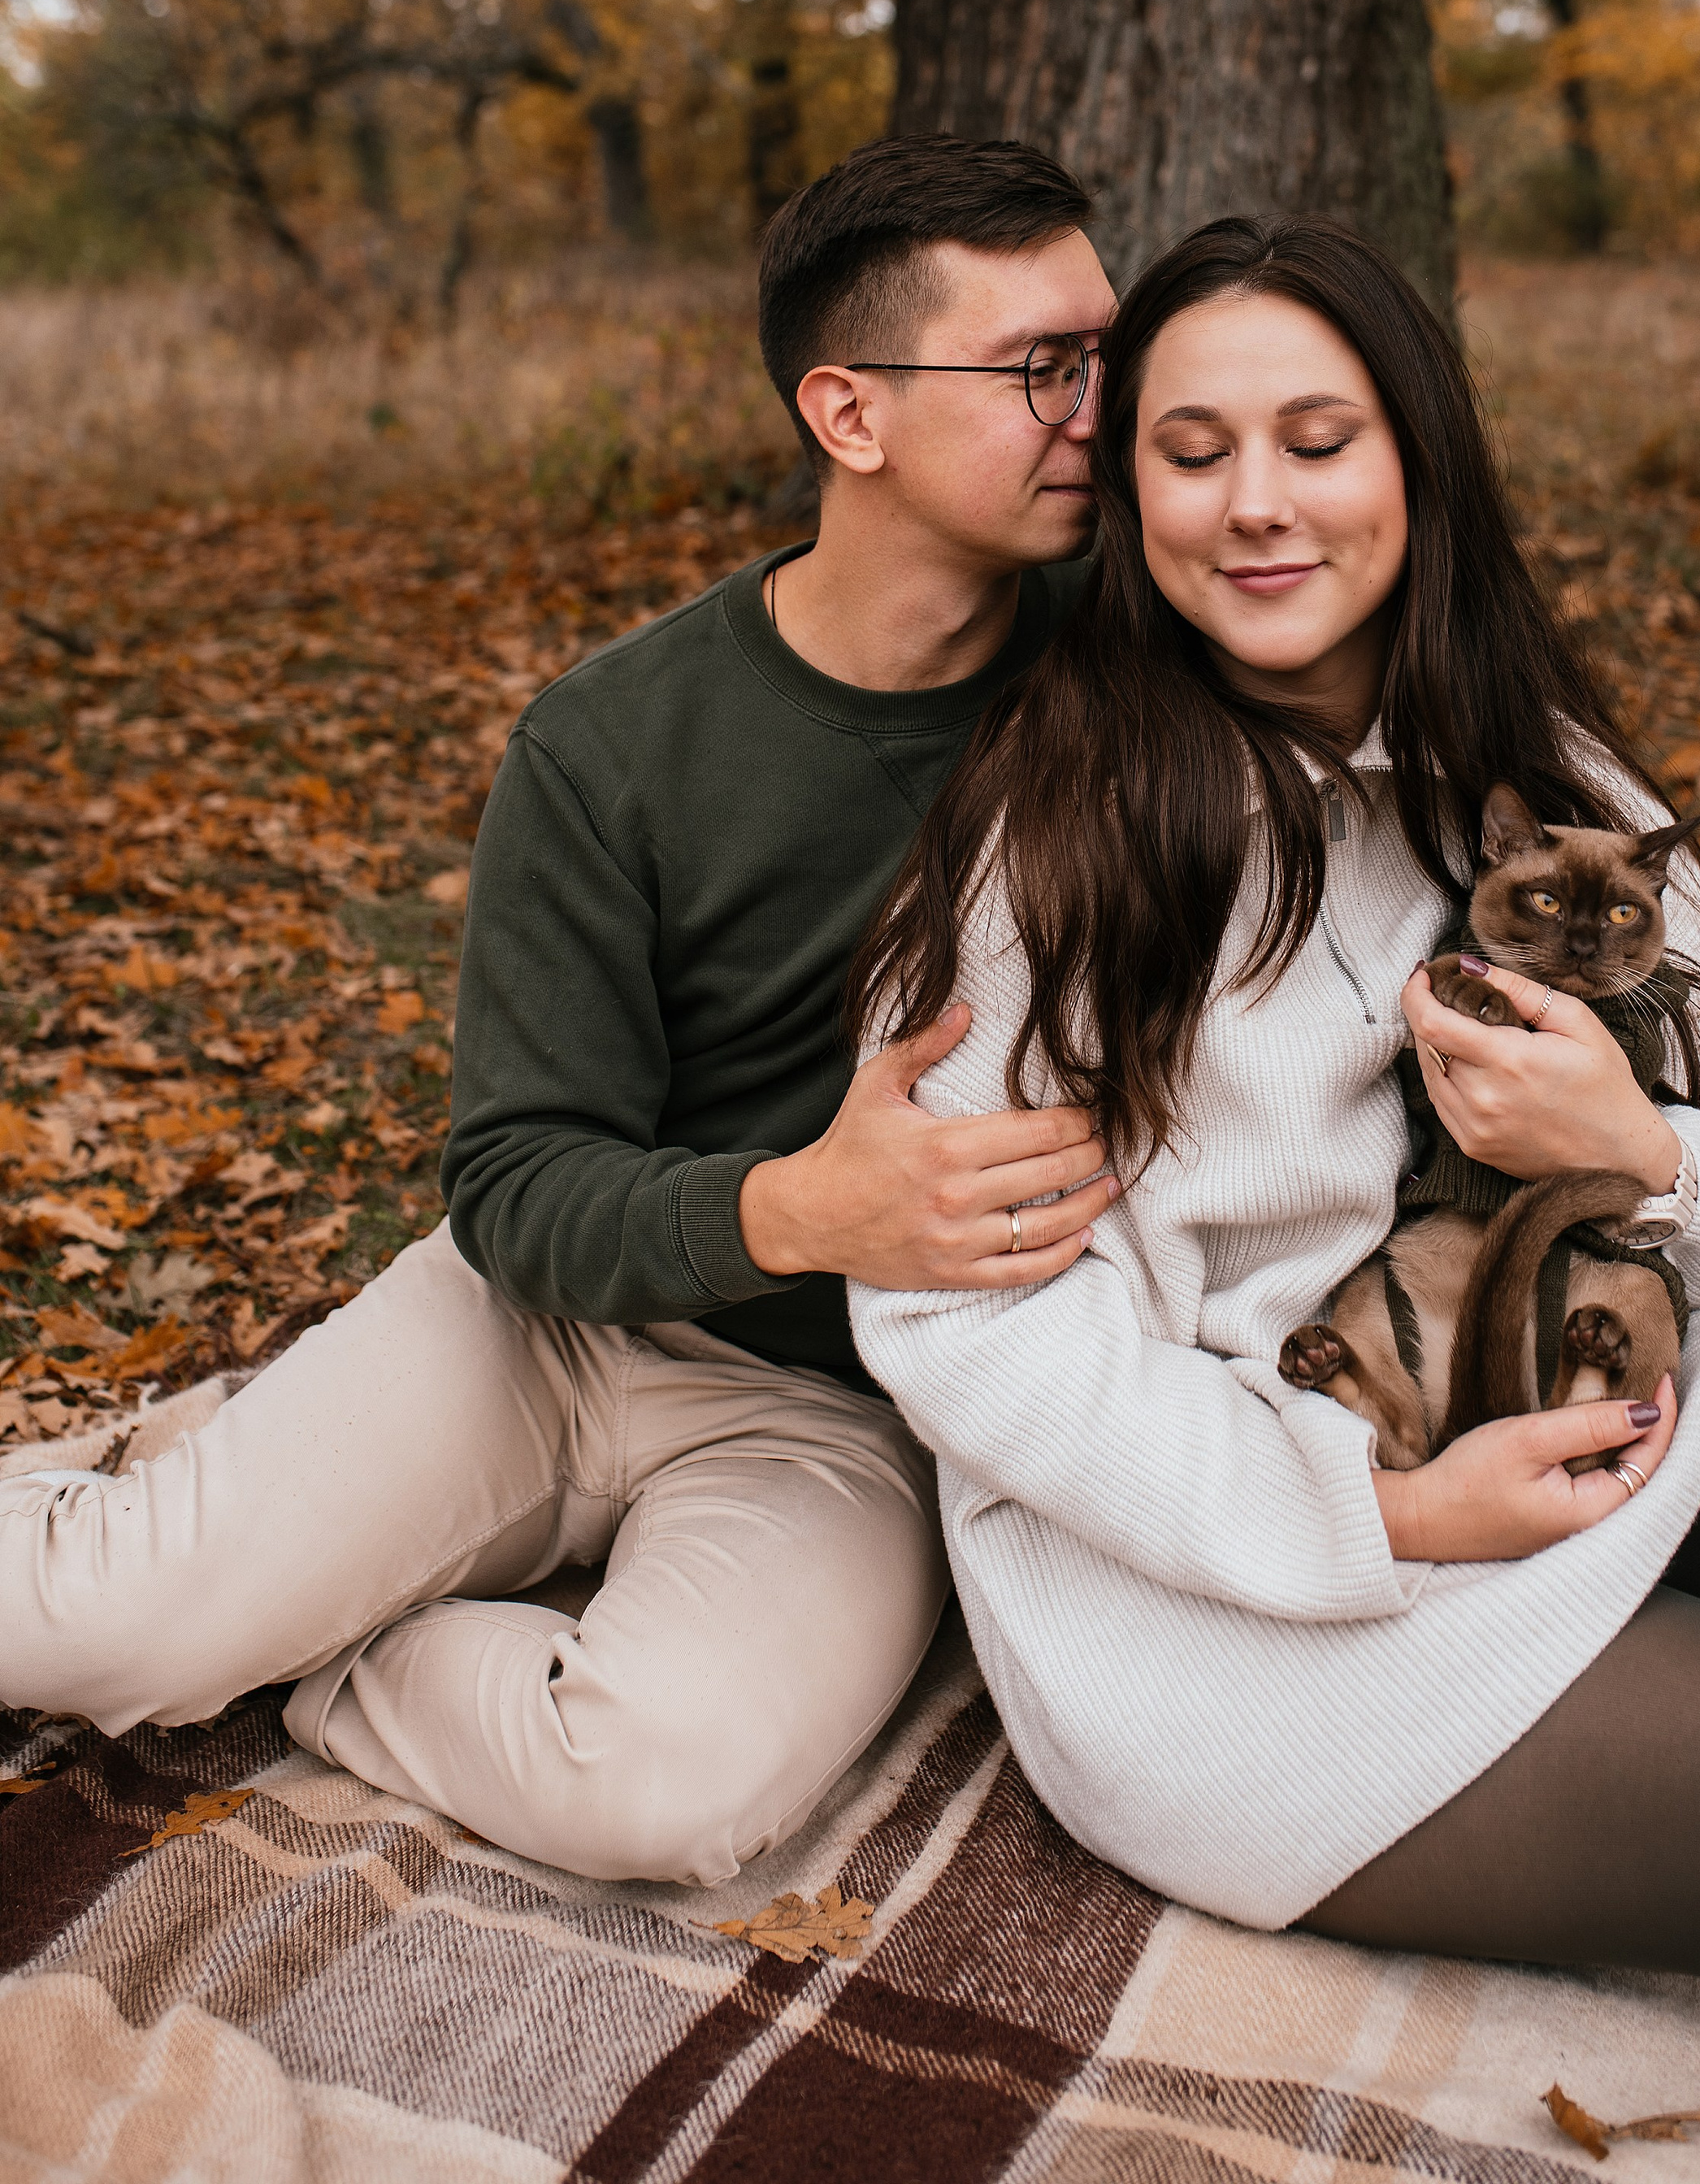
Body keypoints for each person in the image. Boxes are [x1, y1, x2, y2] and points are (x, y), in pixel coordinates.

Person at [848, 213, 1700, 2086]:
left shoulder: (1555, 800)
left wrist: (1635, 1144)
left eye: (1317, 440)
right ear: (1131, 497)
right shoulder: (1058, 849)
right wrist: (1380, 1515)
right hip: (1252, 1611)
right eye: (1191, 454)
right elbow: (969, 1339)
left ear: (1416, 458)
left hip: (1572, 1446)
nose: (1255, 504)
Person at [0, 136, 1122, 1887]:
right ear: (849, 415)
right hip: (540, 1329)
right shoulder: (613, 744)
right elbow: (515, 1188)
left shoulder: (1138, 691)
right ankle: (185, 1555)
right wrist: (801, 1207)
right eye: (1041, 367)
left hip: (834, 1413)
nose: (1096, 409)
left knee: (662, 1794)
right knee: (99, 1635)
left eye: (1104, 355)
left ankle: (329, 1650)